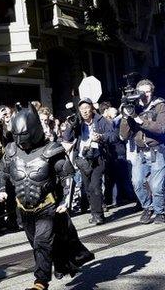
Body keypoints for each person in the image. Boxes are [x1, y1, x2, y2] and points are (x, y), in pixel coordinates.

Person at [0, 103, 94, 290]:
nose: (22, 142)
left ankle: (41, 284)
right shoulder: (11, 151)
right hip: (23, 210)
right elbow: (1, 175)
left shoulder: (51, 150)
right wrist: (0, 190)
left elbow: (67, 176)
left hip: (47, 207)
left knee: (41, 242)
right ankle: (61, 262)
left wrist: (66, 200)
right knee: (40, 246)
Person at [62, 98, 116, 224]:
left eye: (87, 108)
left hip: (98, 158)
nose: (85, 111)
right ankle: (94, 212)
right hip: (83, 159)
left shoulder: (101, 120)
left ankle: (98, 215)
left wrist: (101, 137)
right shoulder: (78, 122)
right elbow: (67, 138)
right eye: (82, 109)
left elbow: (113, 135)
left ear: (92, 108)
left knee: (95, 186)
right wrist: (70, 125)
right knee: (87, 188)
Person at [119, 79, 165, 224]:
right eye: (142, 92)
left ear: (152, 92)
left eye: (148, 91)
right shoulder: (133, 107)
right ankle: (147, 207)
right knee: (137, 182)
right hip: (140, 151)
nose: (145, 95)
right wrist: (126, 117)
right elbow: (124, 136)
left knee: (157, 185)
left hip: (156, 150)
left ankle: (160, 212)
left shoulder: (159, 105)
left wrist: (140, 120)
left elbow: (161, 128)